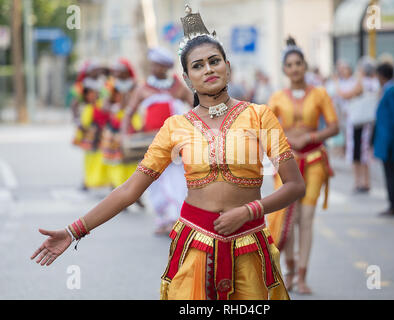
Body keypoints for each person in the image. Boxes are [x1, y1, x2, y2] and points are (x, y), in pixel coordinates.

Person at [31, 5, 305, 301]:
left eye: (214, 61)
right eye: (197, 66)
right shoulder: (176, 127)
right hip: (195, 248)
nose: (208, 69)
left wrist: (249, 211)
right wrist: (73, 231)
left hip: (250, 246)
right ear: (187, 79)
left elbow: (294, 185)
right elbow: (129, 190)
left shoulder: (259, 116)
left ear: (228, 66)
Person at [265, 37, 339, 294]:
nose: (295, 68)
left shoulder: (320, 94)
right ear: (284, 69)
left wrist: (311, 137)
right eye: (290, 64)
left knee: (306, 218)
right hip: (287, 162)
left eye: (299, 63)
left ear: (305, 66)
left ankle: (303, 276)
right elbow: (266, 129)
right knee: (288, 216)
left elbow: (334, 126)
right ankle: (291, 270)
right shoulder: (276, 97)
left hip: (315, 159)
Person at [121, 46, 193, 235]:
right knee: (155, 183)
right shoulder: (143, 88)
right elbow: (129, 114)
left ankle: (175, 220)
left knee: (176, 182)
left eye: (160, 66)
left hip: (176, 145)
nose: (156, 69)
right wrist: (124, 136)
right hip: (149, 143)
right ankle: (163, 219)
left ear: (167, 67)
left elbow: (196, 107)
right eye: (153, 65)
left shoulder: (177, 87)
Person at [99, 58, 144, 209]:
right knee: (116, 161)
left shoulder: (137, 85)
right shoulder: (111, 86)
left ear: (127, 71)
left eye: (120, 71)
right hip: (115, 127)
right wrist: (115, 108)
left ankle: (135, 194)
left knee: (135, 161)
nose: (117, 74)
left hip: (133, 125)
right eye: (115, 71)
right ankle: (118, 194)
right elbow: (105, 104)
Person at [337, 56, 379, 193]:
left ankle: (360, 181)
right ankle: (364, 181)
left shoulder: (362, 82)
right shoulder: (374, 82)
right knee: (364, 152)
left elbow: (345, 95)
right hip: (367, 121)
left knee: (358, 153)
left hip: (358, 122)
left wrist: (336, 83)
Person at [373, 62, 394, 217]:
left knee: (393, 173)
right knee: (390, 172)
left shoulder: (392, 91)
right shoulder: (388, 90)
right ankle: (393, 203)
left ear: (382, 76)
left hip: (391, 140)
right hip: (387, 139)